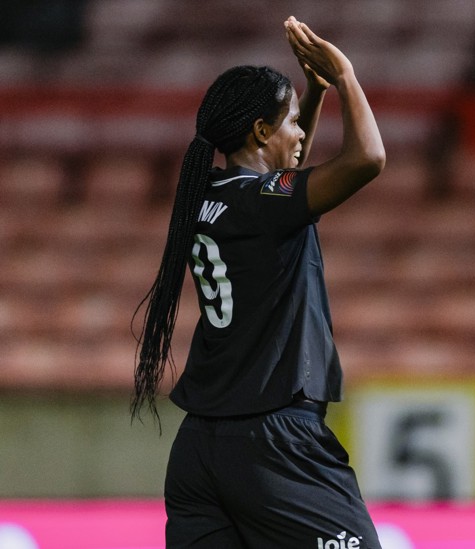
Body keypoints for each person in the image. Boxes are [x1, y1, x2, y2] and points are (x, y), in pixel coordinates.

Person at [131, 17, 385, 548]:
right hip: (273, 443)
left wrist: (309, 95)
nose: (300, 135)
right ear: (261, 131)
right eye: (290, 122)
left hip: (200, 448)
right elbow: (368, 159)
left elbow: (284, 176)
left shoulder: (207, 196)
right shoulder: (264, 202)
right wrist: (344, 76)